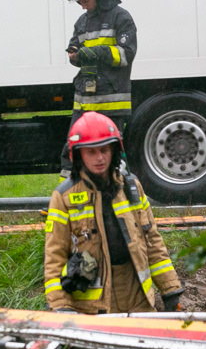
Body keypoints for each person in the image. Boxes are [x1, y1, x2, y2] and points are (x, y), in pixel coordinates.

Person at [43, 112, 183, 314]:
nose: (99, 158)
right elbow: (54, 257)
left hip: (139, 301)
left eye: (104, 150)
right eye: (91, 152)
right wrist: (61, 306)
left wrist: (170, 290)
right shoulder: (64, 197)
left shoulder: (131, 188)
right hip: (92, 309)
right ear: (78, 154)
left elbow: (153, 242)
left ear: (115, 150)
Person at [58, 0, 137, 180]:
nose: (82, 6)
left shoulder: (121, 17)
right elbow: (76, 48)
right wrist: (75, 56)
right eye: (79, 3)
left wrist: (93, 53)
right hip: (83, 101)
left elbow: (125, 55)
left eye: (84, 0)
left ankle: (120, 197)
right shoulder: (82, 22)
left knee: (111, 157)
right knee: (71, 152)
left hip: (111, 102)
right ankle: (67, 198)